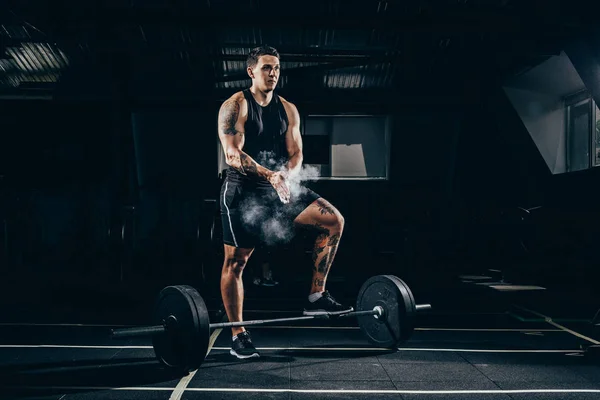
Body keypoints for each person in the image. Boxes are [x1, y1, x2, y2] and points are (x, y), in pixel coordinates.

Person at [217, 45, 352, 359]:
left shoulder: (288, 108)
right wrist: (270, 176)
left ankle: (316, 296)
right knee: (236, 263)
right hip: (242, 190)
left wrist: (287, 176)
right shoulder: (235, 105)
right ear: (251, 71)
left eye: (276, 67)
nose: (273, 73)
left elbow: (296, 153)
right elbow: (232, 154)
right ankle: (238, 333)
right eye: (266, 67)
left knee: (333, 221)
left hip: (278, 185)